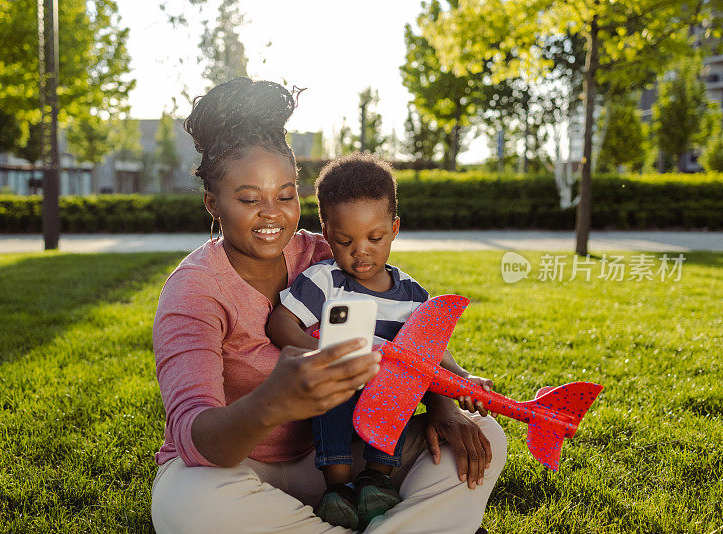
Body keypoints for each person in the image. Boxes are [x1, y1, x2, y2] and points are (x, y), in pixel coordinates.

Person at [150, 77, 507, 534]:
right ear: (212, 203)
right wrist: (271, 404)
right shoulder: (193, 291)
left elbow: (407, 330)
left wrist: (443, 407)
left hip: (342, 458)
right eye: (248, 199)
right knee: (186, 502)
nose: (273, 214)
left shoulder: (325, 255)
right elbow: (195, 436)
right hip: (240, 471)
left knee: (485, 438)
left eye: (285, 194)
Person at [265, 153, 496, 531]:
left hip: (387, 397)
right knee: (334, 398)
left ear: (395, 228)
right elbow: (281, 322)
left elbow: (431, 351)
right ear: (327, 234)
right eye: (344, 241)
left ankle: (376, 482)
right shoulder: (326, 280)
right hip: (340, 388)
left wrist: (463, 377)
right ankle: (337, 490)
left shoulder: (411, 294)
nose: (361, 252)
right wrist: (324, 355)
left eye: (375, 238)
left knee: (399, 393)